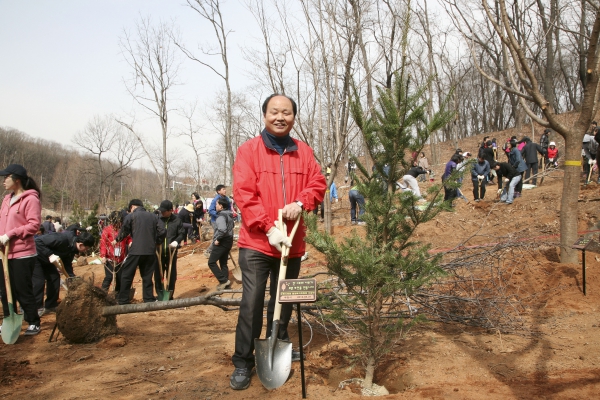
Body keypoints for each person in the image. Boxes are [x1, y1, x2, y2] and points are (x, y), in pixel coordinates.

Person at [229, 93, 326, 390]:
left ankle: (278, 343)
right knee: (252, 302)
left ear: (294, 117)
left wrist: (302, 201)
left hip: (292, 244)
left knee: (283, 301)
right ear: (264, 115)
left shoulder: (304, 152)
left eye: (286, 112)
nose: (280, 117)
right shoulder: (249, 151)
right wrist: (268, 228)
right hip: (258, 243)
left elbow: (318, 184)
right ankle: (243, 362)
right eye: (274, 112)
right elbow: (244, 194)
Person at [0, 164, 42, 336]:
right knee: (5, 290)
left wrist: (11, 234)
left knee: (22, 289)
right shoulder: (5, 200)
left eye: (6, 177)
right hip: (4, 253)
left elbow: (34, 225)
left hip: (22, 253)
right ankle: (9, 318)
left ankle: (33, 321)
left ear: (16, 179)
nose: (3, 181)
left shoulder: (31, 199)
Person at [113, 199, 165, 305]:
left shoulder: (131, 216)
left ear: (132, 207)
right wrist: (158, 241)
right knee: (147, 276)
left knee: (127, 275)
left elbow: (124, 230)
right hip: (150, 251)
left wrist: (117, 239)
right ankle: (148, 298)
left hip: (135, 251)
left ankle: (123, 300)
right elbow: (163, 230)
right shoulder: (154, 216)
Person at [33, 230, 95, 315]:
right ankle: (36, 308)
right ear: (81, 245)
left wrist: (72, 278)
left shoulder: (72, 250)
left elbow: (67, 265)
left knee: (55, 278)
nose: (85, 251)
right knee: (39, 281)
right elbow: (37, 242)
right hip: (36, 257)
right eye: (86, 248)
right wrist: (50, 254)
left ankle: (50, 305)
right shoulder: (61, 239)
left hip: (48, 261)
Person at [155, 200, 185, 299]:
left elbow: (181, 233)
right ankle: (160, 294)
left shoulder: (177, 220)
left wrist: (176, 241)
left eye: (164, 211)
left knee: (171, 274)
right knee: (158, 274)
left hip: (171, 252)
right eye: (161, 211)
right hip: (158, 252)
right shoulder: (157, 219)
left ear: (170, 210)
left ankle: (170, 294)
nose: (162, 213)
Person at [99, 211, 131, 292]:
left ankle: (117, 296)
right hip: (110, 259)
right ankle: (102, 295)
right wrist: (103, 256)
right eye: (117, 222)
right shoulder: (107, 230)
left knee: (120, 278)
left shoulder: (124, 231)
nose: (118, 224)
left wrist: (130, 242)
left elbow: (128, 238)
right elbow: (103, 243)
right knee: (108, 277)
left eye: (120, 222)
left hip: (121, 259)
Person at [208, 197, 235, 291]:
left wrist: (218, 239)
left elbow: (222, 230)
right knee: (223, 262)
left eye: (217, 204)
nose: (215, 206)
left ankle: (223, 281)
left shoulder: (220, 217)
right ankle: (226, 285)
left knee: (211, 262)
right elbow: (232, 226)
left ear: (221, 206)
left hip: (222, 241)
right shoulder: (229, 215)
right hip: (229, 240)